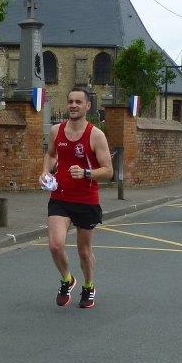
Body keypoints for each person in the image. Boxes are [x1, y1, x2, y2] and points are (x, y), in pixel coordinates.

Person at [43, 87, 113, 309]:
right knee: (55, 245)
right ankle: (67, 279)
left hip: (86, 199)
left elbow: (108, 171)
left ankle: (89, 286)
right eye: (70, 101)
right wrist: (45, 172)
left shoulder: (96, 135)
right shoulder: (57, 130)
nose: (73, 105)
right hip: (60, 196)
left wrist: (86, 173)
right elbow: (52, 154)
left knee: (84, 251)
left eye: (78, 102)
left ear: (87, 106)